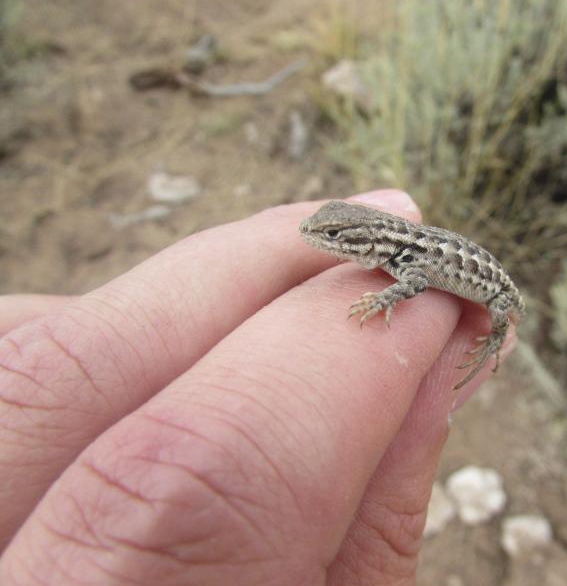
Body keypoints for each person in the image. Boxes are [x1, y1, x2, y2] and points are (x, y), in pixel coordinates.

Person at [0, 189, 516, 585]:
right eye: (328, 233)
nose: (318, 238)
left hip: (493, 289)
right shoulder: (392, 247)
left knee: (496, 321)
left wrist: (385, 302)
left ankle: (492, 341)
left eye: (334, 237)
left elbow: (419, 284)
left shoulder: (406, 259)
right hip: (451, 261)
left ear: (366, 241)